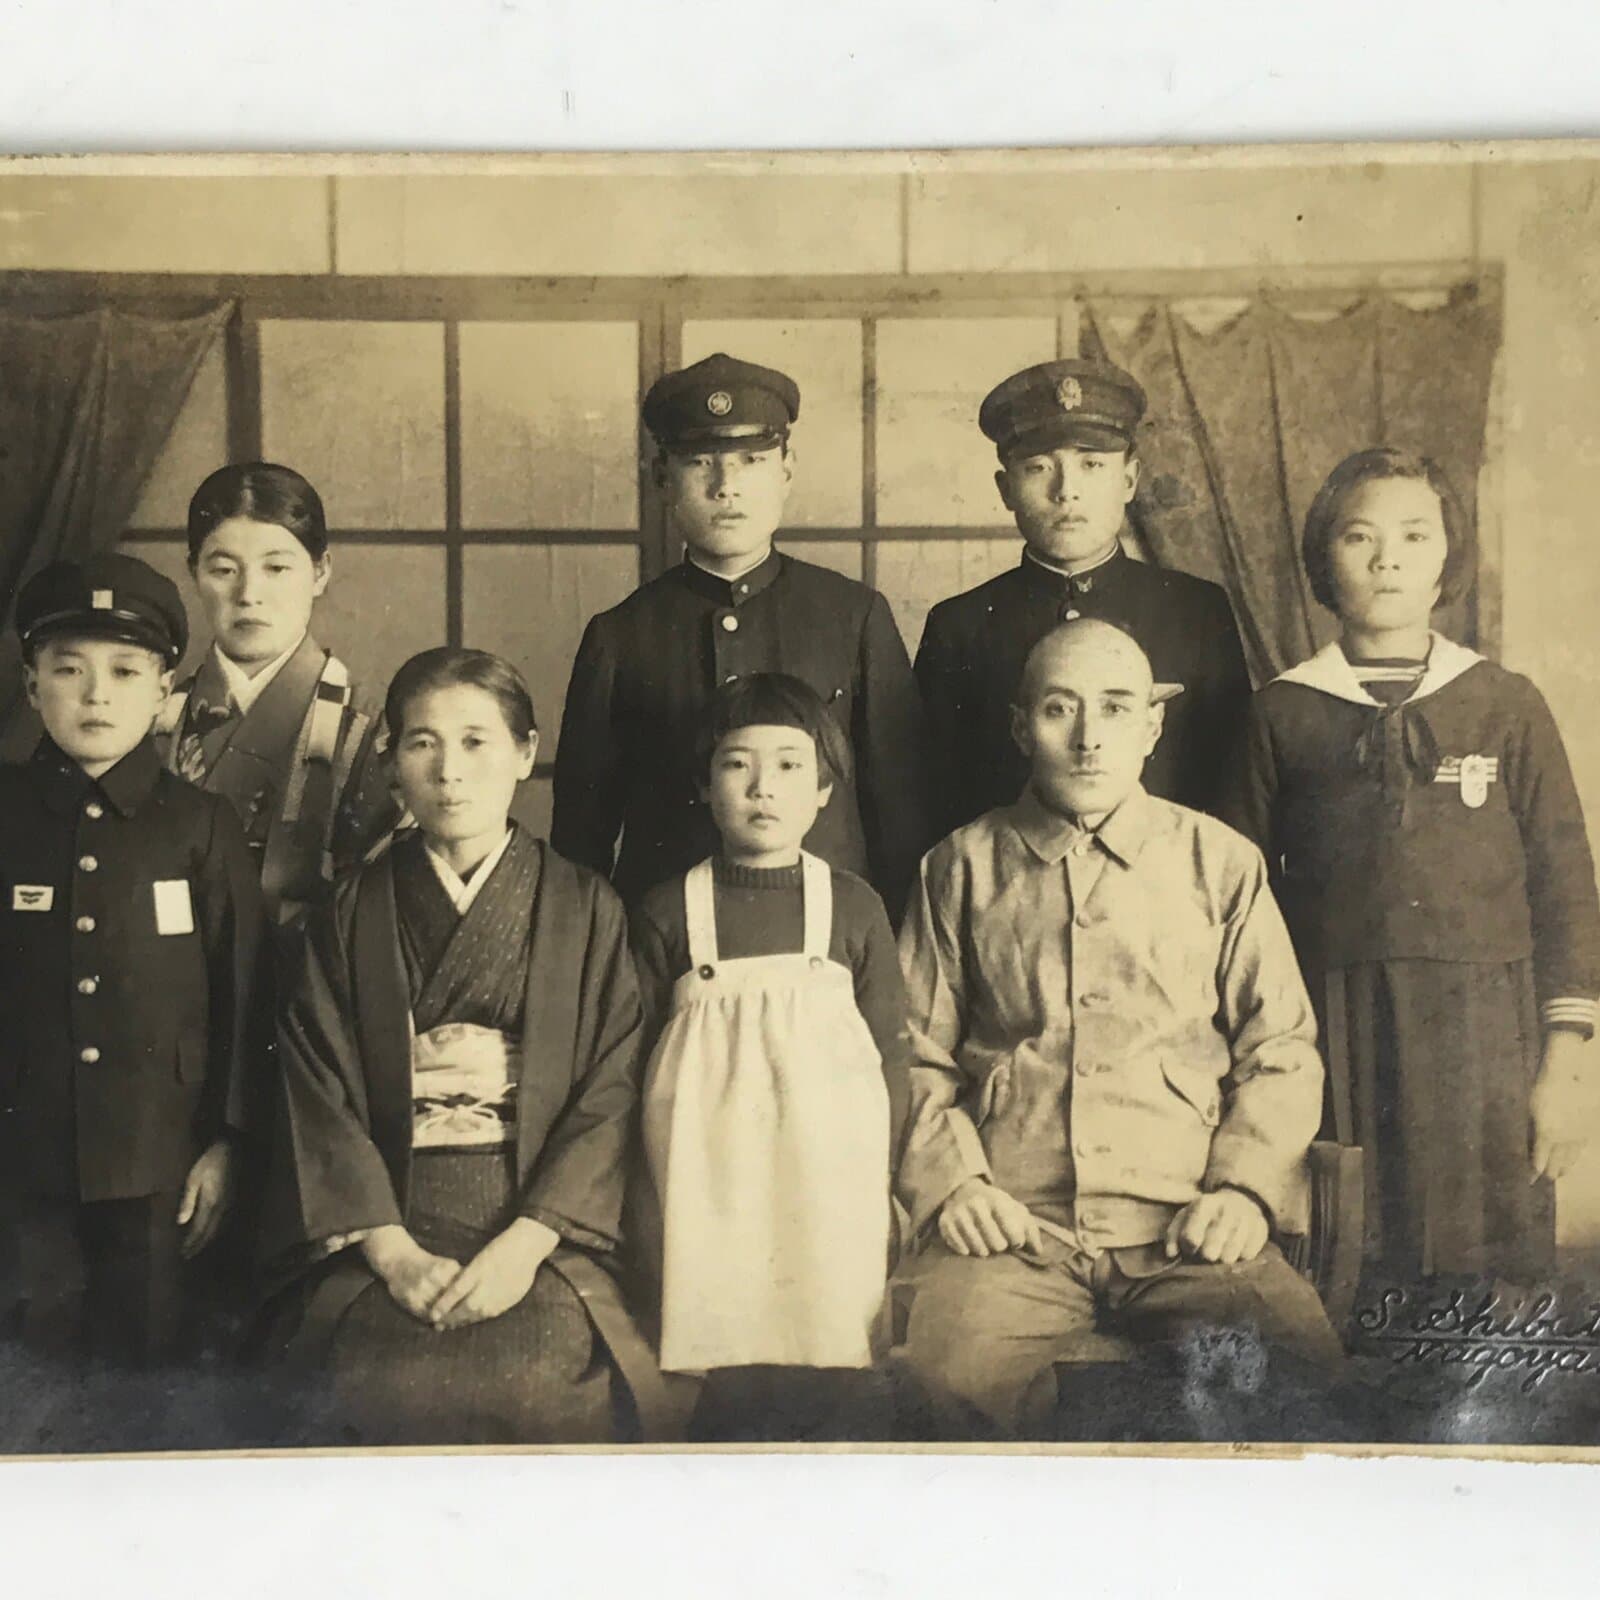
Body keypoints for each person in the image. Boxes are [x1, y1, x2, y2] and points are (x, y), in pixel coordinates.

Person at [894, 618, 1340, 1436]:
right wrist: (954, 1183)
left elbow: (1280, 1049)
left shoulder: (1220, 861)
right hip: (1016, 1229)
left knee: (1298, 1369)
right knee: (934, 1380)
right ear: (1020, 725)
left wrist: (1244, 1189)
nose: (1090, 738)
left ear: (1152, 725)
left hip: (1185, 1226)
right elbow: (912, 1056)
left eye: (1115, 707)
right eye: (1061, 709)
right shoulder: (960, 866)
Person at [259, 648, 670, 1445]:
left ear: (525, 752)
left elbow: (611, 1090)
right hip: (389, 1216)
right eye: (421, 743)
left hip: (538, 1225)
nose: (449, 771)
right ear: (390, 763)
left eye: (477, 742)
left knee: (548, 1377)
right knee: (368, 1383)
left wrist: (526, 1244)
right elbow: (317, 1092)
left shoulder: (588, 907)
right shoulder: (347, 914)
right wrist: (391, 1253)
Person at [1221, 448, 1600, 1282]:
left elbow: (1567, 886)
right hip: (1331, 1031)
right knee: (1346, 1271)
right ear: (1325, 560)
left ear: (1446, 560)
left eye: (1414, 536)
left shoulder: (1506, 703)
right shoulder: (1282, 712)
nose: (1388, 558)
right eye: (1360, 537)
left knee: (1487, 1287)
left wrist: (1564, 1067)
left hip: (1484, 1039)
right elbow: (1232, 898)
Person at [552, 352, 936, 922]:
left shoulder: (853, 616)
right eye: (699, 462)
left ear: (786, 472)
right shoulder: (620, 635)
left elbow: (903, 817)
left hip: (828, 938)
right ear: (663, 479)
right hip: (669, 943)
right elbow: (580, 843)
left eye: (752, 460)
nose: (726, 486)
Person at [0, 553, 268, 1365]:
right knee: (30, 1379)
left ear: (163, 690)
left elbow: (244, 992)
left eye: (124, 671)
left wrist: (227, 1143)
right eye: (68, 669)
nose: (95, 694)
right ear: (29, 682)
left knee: (149, 1377)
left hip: (160, 1162)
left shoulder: (201, 824)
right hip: (22, 1164)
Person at [629, 674, 910, 1426]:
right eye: (736, 764)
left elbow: (890, 1052)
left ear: (825, 789)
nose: (763, 787)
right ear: (703, 784)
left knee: (831, 1341)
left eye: (789, 765)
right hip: (704, 1172)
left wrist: (885, 1175)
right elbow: (630, 1062)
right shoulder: (667, 910)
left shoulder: (852, 906)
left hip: (829, 1172)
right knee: (721, 1359)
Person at [914, 358, 1251, 835]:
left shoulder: (1196, 612)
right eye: (1038, 468)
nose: (1066, 492)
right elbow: (932, 807)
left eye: (1091, 465)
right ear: (1005, 488)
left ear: (1129, 480)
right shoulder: (959, 627)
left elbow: (1232, 794)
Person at [157, 462, 397, 927]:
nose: (249, 593)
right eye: (224, 569)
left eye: (277, 568)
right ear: (193, 572)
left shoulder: (370, 729)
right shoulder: (152, 716)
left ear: (321, 571)